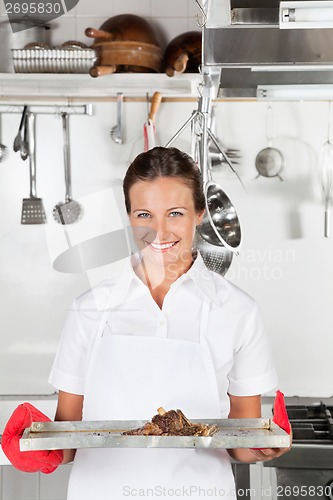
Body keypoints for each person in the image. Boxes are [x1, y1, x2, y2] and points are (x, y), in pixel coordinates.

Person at [2, 147, 290, 499]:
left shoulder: (237, 310)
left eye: (175, 213)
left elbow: (239, 440)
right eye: (144, 214)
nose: (159, 230)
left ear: (199, 214)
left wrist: (264, 446)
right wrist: (39, 452)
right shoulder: (88, 309)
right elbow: (69, 437)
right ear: (128, 217)